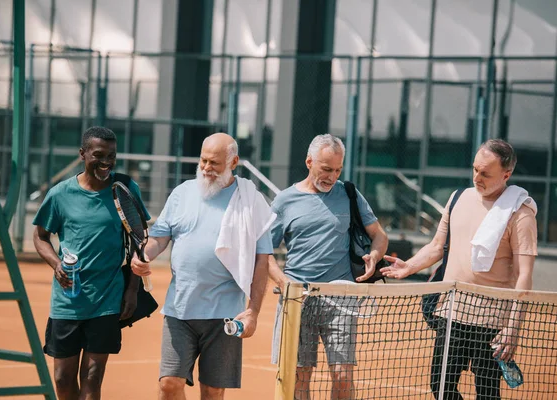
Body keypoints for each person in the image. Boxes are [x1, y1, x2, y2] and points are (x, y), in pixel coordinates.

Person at [381, 139, 537, 399]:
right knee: (440, 387)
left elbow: (524, 274)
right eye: (475, 169)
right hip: (451, 313)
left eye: (485, 173)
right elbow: (436, 246)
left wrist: (512, 328)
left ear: (506, 174)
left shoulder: (521, 214)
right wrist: (408, 266)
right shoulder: (457, 198)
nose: (477, 177)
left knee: (487, 394)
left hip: (492, 323)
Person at [131, 133, 274, 400]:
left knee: (212, 392)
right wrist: (145, 255)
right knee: (169, 384)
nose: (206, 169)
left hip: (226, 314)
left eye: (214, 163)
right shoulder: (182, 193)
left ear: (234, 162)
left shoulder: (251, 201)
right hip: (180, 309)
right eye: (203, 161)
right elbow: (160, 237)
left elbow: (261, 259)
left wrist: (253, 311)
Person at [32, 126, 150, 400]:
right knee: (62, 379)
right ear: (82, 154)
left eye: (112, 155)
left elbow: (138, 239)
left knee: (93, 376)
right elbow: (40, 237)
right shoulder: (61, 194)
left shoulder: (124, 188)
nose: (106, 162)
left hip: (107, 298)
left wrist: (131, 290)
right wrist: (56, 264)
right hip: (68, 299)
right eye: (99, 155)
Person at [268, 134, 388, 400]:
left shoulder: (349, 194)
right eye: (325, 169)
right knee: (299, 376)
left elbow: (379, 235)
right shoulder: (284, 201)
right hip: (298, 299)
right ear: (309, 162)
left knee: (343, 376)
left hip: (341, 297)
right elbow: (264, 250)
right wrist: (282, 281)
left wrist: (374, 255)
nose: (332, 176)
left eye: (337, 170)